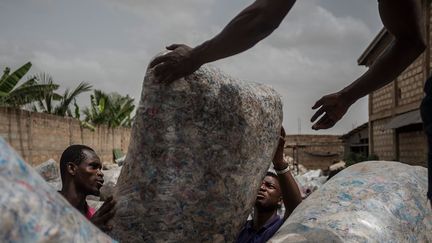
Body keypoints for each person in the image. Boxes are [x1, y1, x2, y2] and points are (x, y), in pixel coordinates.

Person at [236, 127, 302, 243]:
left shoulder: (281, 228)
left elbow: (295, 208)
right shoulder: (239, 230)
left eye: (269, 186)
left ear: (280, 199)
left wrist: (279, 162)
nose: (261, 188)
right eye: (259, 184)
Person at [59, 144, 116, 232]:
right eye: (93, 167)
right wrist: (89, 230)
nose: (101, 173)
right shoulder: (47, 208)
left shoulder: (94, 215)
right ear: (72, 168)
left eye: (100, 168)